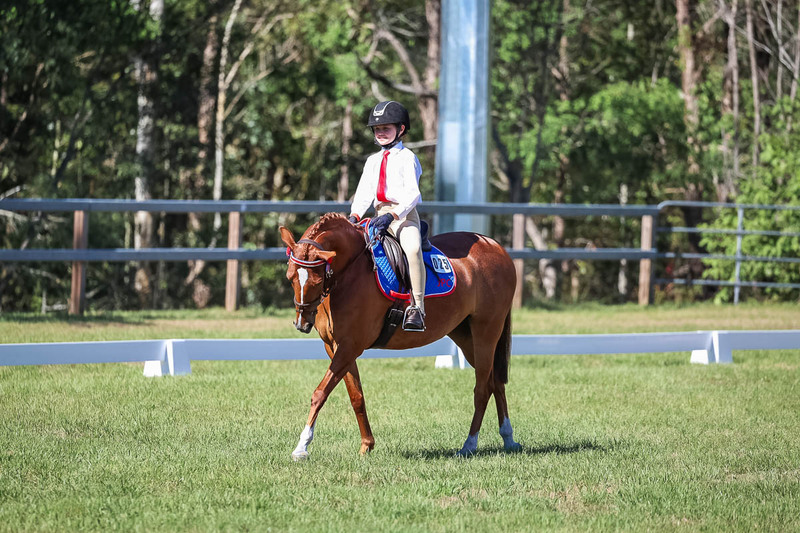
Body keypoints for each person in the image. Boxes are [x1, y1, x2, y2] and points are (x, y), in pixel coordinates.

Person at [348, 101, 426, 331]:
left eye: (386, 128)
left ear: (400, 130)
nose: (381, 133)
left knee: (412, 249)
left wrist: (393, 215)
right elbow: (364, 192)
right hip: (377, 215)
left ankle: (418, 308)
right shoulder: (372, 161)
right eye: (377, 129)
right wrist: (354, 216)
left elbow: (413, 194)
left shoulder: (407, 157)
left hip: (403, 216)